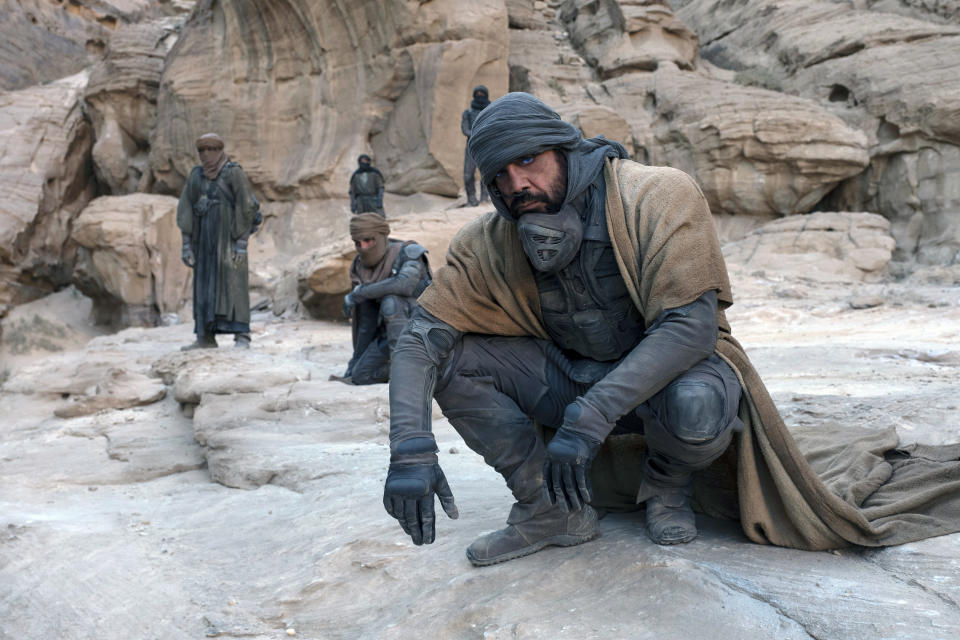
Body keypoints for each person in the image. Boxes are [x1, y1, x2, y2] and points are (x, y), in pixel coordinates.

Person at [381, 92, 960, 567]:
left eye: (528, 161)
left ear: (564, 148)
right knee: (455, 361)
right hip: (568, 376)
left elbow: (691, 326)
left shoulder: (654, 194)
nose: (517, 185)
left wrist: (589, 416)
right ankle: (550, 509)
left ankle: (666, 486)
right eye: (500, 176)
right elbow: (420, 338)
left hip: (667, 381)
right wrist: (410, 451)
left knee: (699, 402)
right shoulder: (489, 239)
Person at [177, 133, 261, 350]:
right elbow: (185, 208)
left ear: (220, 150)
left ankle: (242, 336)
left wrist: (241, 243)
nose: (207, 154)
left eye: (212, 149)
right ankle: (205, 337)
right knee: (204, 286)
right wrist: (186, 244)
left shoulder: (234, 173)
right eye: (202, 150)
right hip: (203, 241)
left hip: (229, 240)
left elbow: (247, 206)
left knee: (234, 285)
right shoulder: (196, 176)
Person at [338, 213, 431, 385]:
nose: (363, 247)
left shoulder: (408, 253)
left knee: (391, 301)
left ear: (381, 236)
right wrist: (354, 363)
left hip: (424, 331)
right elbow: (365, 323)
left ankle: (407, 371)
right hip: (388, 334)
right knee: (361, 375)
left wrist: (359, 292)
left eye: (368, 240)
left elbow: (404, 285)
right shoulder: (361, 267)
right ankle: (408, 368)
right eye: (358, 243)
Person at [461, 85, 491, 207]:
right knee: (468, 175)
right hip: (471, 147)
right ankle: (471, 199)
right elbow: (464, 129)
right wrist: (476, 135)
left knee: (486, 174)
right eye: (477, 93)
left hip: (486, 146)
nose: (480, 96)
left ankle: (484, 198)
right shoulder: (467, 113)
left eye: (482, 94)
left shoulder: (490, 111)